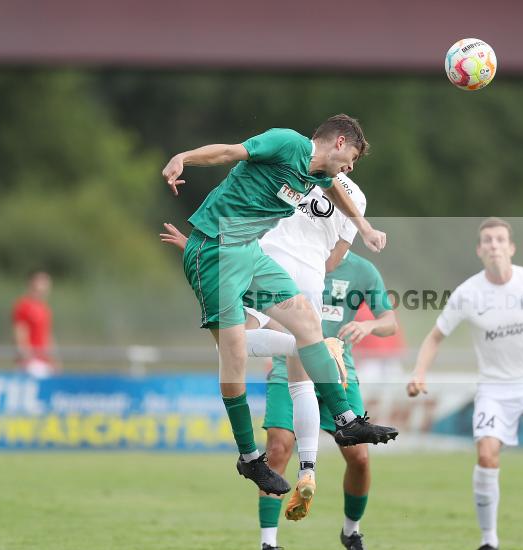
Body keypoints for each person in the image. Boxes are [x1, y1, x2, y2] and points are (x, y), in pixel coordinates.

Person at [161, 115, 398, 498]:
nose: (351, 168)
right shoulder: (287, 143)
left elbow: (337, 191)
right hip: (215, 251)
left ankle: (346, 420)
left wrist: (365, 228)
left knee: (308, 326)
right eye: (352, 157)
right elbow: (228, 152)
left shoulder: (317, 173)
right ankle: (249, 458)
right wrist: (183, 157)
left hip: (250, 253)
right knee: (233, 356)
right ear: (339, 142)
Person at [161, 222, 396, 550]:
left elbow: (390, 321)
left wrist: (368, 325)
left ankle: (352, 532)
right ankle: (269, 545)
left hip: (338, 370)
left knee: (359, 457)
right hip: (289, 366)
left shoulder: (362, 271)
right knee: (278, 449)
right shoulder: (286, 257)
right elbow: (247, 275)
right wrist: (200, 253)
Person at [406, 218, 523, 550]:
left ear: (511, 247)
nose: (494, 245)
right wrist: (419, 373)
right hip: (495, 387)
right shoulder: (467, 293)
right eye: (487, 240)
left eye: (500, 239)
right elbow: (435, 337)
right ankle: (489, 540)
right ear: (479, 250)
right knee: (487, 454)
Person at [12, 271, 58, 378]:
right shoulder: (23, 306)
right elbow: (20, 332)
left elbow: (47, 335)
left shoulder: (45, 308)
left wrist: (54, 359)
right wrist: (25, 358)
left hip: (44, 361)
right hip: (32, 362)